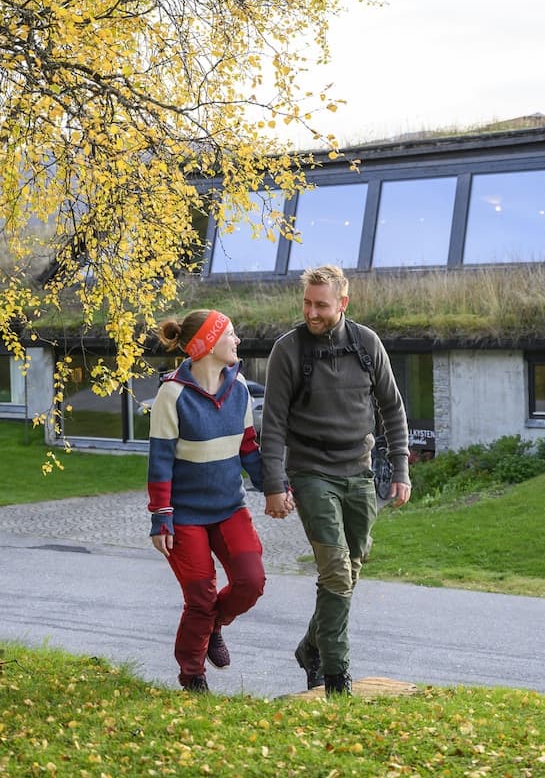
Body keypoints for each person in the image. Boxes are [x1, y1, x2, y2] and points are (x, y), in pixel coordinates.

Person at [260, 264, 411, 697]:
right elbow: (273, 423)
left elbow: (393, 408)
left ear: (342, 303)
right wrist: (274, 484)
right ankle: (335, 674)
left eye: (321, 305)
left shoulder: (367, 344)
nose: (312, 312)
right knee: (337, 571)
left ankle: (311, 646)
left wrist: (400, 467)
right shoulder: (288, 350)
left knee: (350, 568)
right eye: (307, 303)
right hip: (311, 473)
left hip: (358, 470)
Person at [147, 308, 279, 694]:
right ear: (207, 344)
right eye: (230, 334)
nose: (237, 340)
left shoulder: (239, 390)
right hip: (185, 516)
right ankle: (192, 675)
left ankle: (214, 624)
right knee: (200, 597)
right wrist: (161, 518)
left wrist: (274, 487)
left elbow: (248, 449)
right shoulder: (172, 395)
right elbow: (160, 462)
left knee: (251, 582)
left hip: (229, 509)